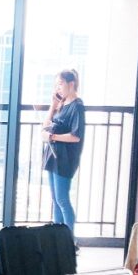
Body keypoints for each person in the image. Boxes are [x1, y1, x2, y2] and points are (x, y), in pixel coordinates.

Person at [42, 68, 86, 242]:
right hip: (53, 156)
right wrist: (53, 105)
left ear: (71, 84)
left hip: (65, 159)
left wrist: (52, 137)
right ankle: (57, 240)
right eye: (56, 85)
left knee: (62, 199)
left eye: (60, 84)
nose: (58, 88)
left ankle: (69, 241)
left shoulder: (77, 106)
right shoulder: (62, 104)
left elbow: (76, 136)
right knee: (56, 199)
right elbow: (45, 125)